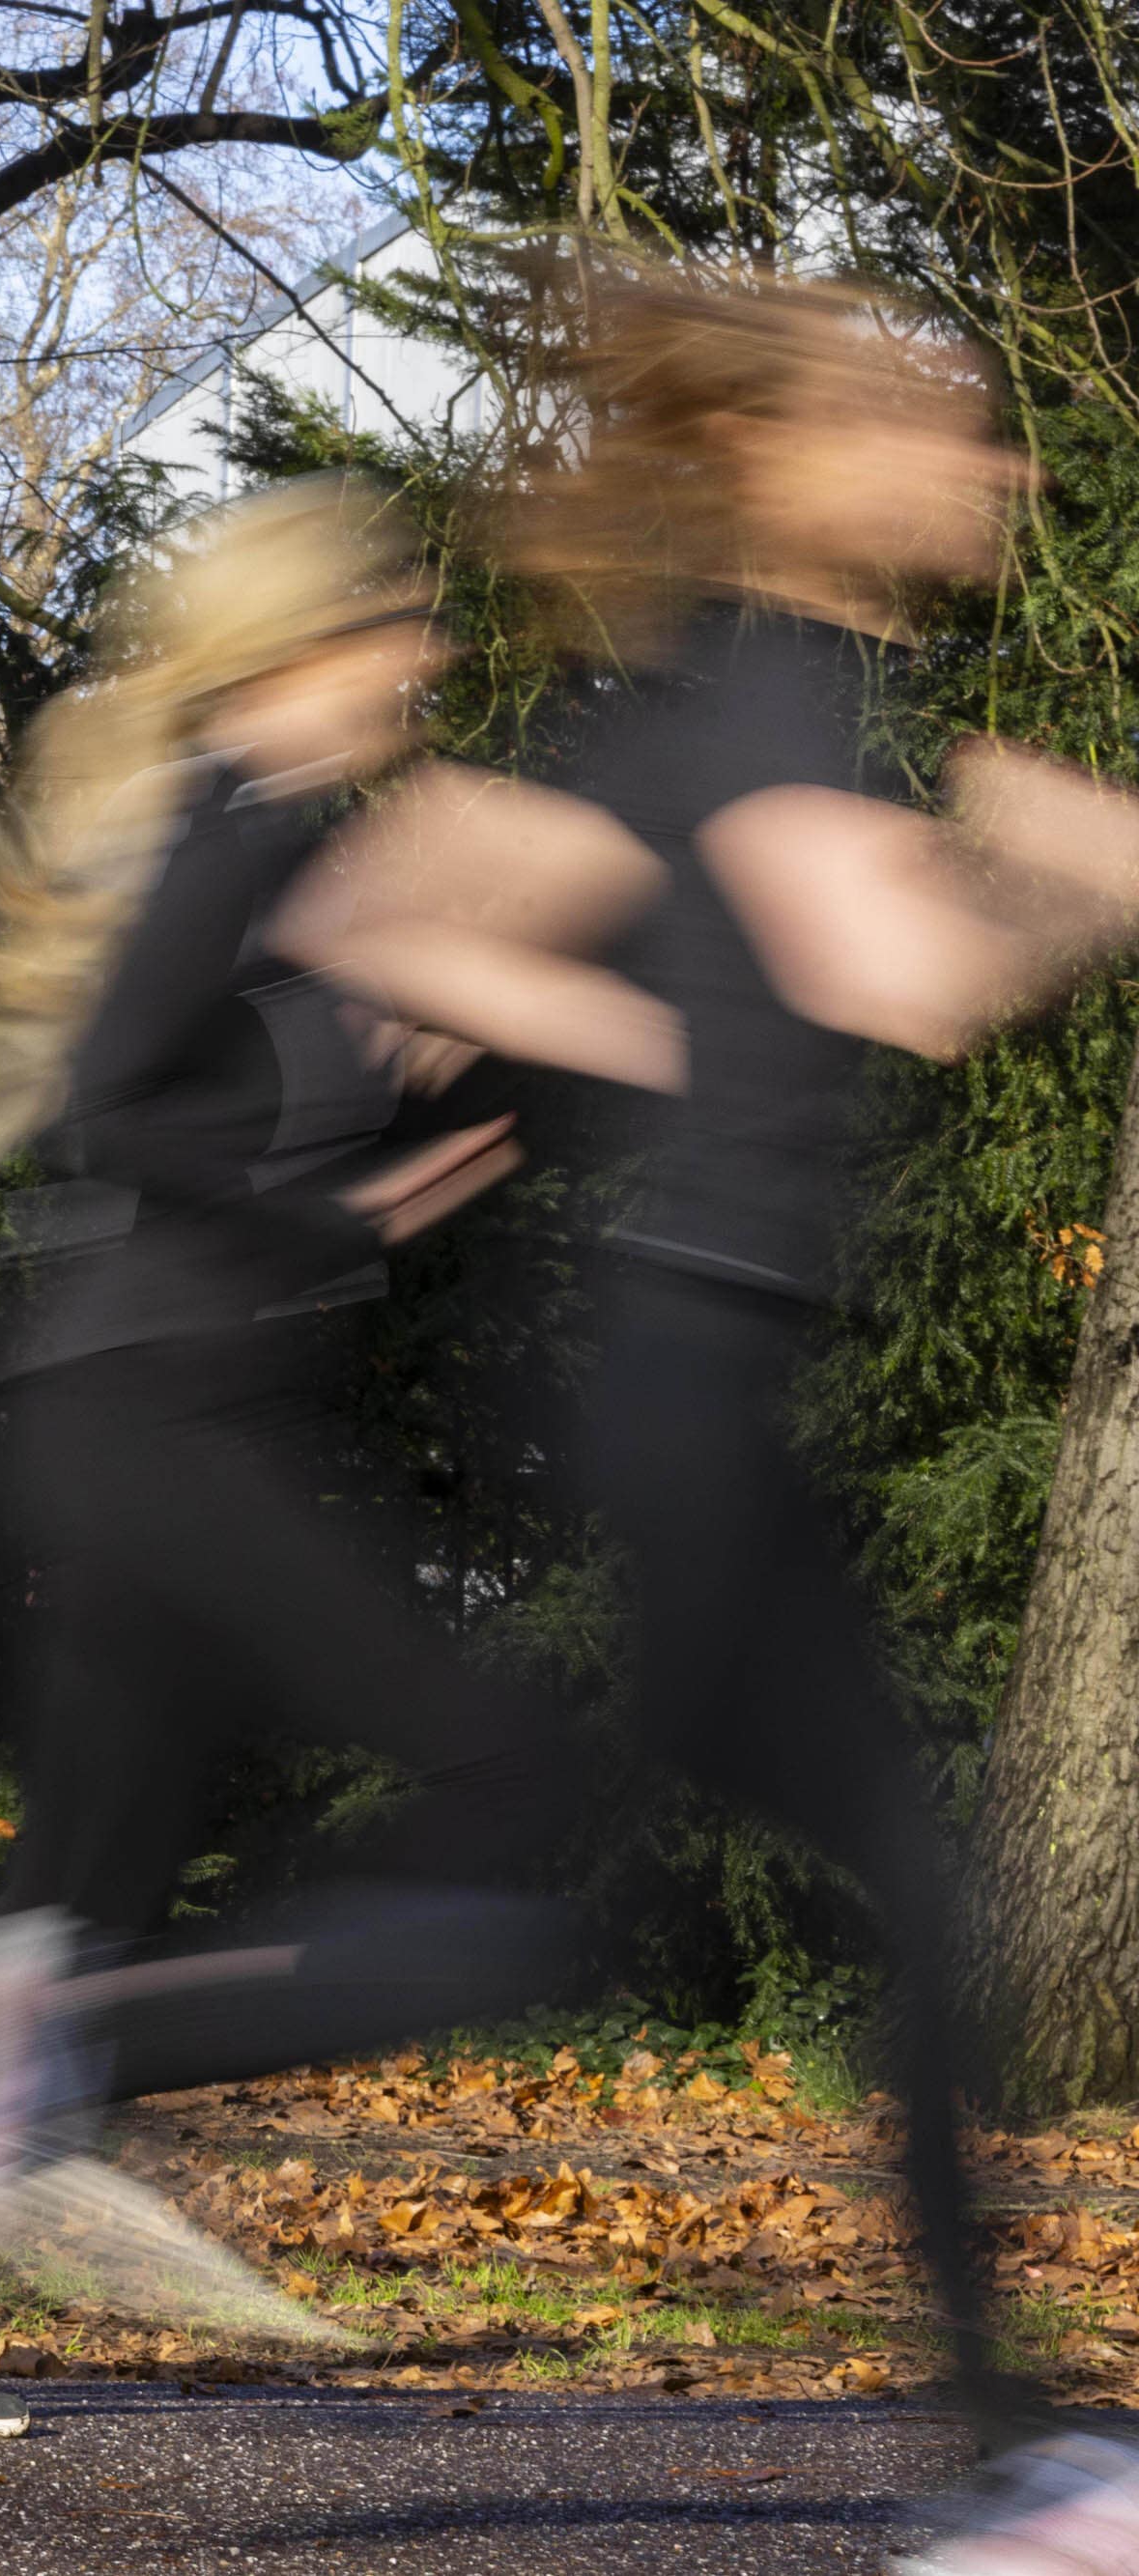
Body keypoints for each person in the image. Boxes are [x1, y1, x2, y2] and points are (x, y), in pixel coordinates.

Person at [278, 267, 1139, 2569]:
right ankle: (1007, 2466)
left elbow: (429, 898)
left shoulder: (713, 679)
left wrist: (494, 1032)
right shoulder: (769, 680)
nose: (986, 468)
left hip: (675, 1373)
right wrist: (1075, 868)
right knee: (868, 1888)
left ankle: (40, 2046)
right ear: (791, 466)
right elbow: (901, 978)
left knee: (568, 1898)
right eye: (934, 430)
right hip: (678, 1378)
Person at [0, 479, 585, 2439]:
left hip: (122, 1407)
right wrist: (337, 1210)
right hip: (146, 1418)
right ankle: (32, 2078)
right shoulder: (234, 819)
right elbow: (105, 1104)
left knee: (74, 1907)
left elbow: (242, 1099)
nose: (429, 658)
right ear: (301, 646)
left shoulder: (281, 841)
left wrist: (437, 1094)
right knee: (507, 1777)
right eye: (399, 623)